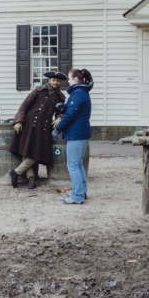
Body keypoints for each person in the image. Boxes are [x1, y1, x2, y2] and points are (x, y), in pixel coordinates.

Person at [8, 72, 67, 189]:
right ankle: (31, 179)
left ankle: (16, 172)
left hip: (44, 128)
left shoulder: (60, 96)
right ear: (49, 80)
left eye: (58, 81)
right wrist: (19, 121)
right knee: (26, 151)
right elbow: (24, 105)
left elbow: (60, 110)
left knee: (38, 152)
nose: (56, 83)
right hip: (28, 124)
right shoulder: (38, 90)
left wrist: (60, 117)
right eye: (54, 80)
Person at [52, 69, 93, 204]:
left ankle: (77, 195)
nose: (68, 81)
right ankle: (82, 192)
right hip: (80, 133)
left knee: (73, 166)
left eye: (69, 78)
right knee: (78, 164)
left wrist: (57, 129)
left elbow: (70, 116)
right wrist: (64, 107)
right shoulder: (80, 93)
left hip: (77, 134)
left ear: (75, 79)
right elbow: (72, 111)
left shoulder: (78, 94)